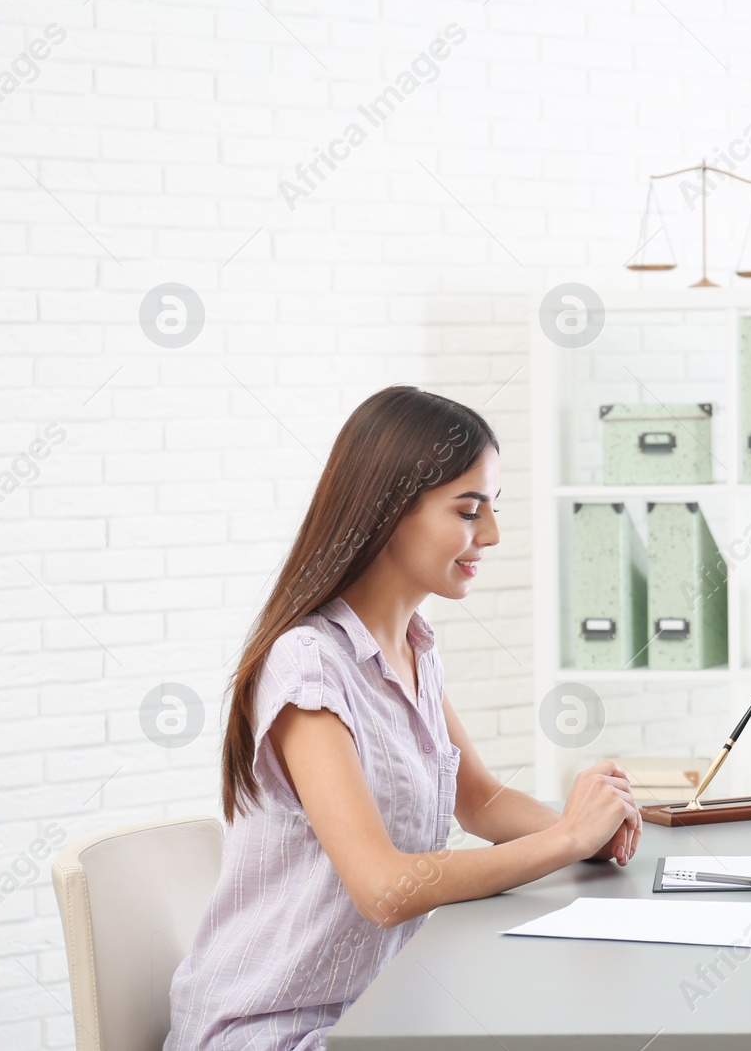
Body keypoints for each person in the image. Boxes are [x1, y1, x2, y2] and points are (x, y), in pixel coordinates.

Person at [166, 386, 641, 1051]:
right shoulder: (310, 666)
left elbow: (481, 799)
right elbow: (384, 889)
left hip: (382, 1013)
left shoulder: (413, 646)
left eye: (493, 509)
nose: (494, 535)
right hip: (278, 1031)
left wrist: (586, 827)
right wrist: (562, 841)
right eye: (470, 510)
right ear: (390, 510)